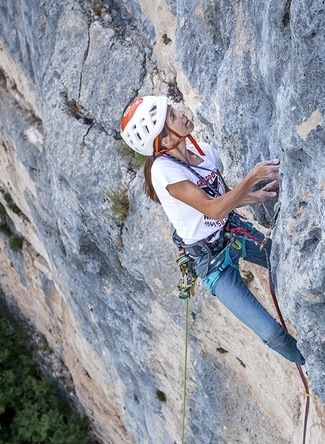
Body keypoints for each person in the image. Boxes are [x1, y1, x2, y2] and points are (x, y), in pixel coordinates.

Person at [120, 96, 304, 365]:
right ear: (166, 141)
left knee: (289, 262)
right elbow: (213, 210)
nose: (182, 113)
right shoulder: (163, 171)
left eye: (174, 110)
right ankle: (309, 364)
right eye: (172, 116)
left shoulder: (204, 152)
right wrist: (253, 177)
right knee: (272, 332)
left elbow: (222, 198)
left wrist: (256, 195)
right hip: (211, 263)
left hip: (234, 232)